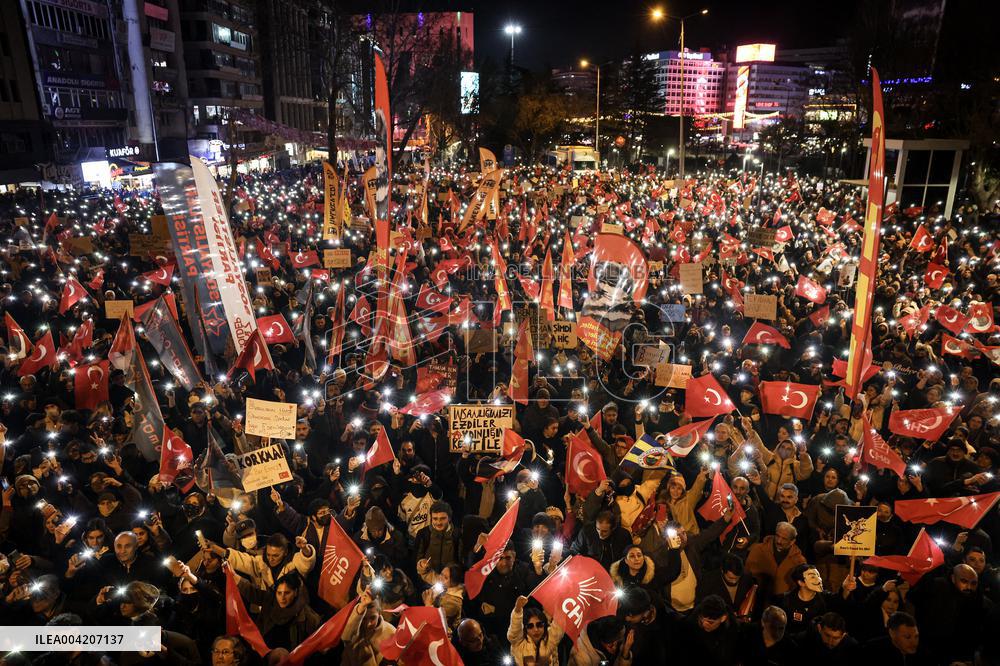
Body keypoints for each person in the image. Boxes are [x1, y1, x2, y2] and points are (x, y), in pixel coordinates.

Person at [745, 521, 807, 602]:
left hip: (784, 603)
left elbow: (800, 588)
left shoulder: (799, 561)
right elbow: (746, 574)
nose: (779, 541)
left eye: (784, 539)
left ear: (792, 541)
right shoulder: (757, 550)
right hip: (756, 599)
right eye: (777, 536)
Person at [507, 595, 564, 666]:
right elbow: (514, 632)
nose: (536, 629)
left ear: (544, 625)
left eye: (539, 625)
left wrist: (560, 606)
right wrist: (517, 611)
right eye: (530, 626)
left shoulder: (549, 640)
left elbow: (558, 627)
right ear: (525, 628)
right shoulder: (519, 643)